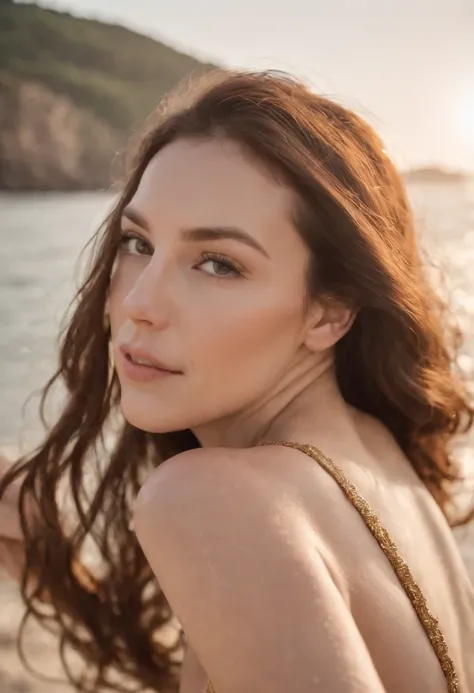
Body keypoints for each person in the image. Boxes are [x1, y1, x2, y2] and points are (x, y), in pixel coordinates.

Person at [0, 68, 473, 693]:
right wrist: (49, 563)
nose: (139, 301)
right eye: (137, 242)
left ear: (329, 311)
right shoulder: (377, 457)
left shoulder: (210, 497)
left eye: (218, 263)